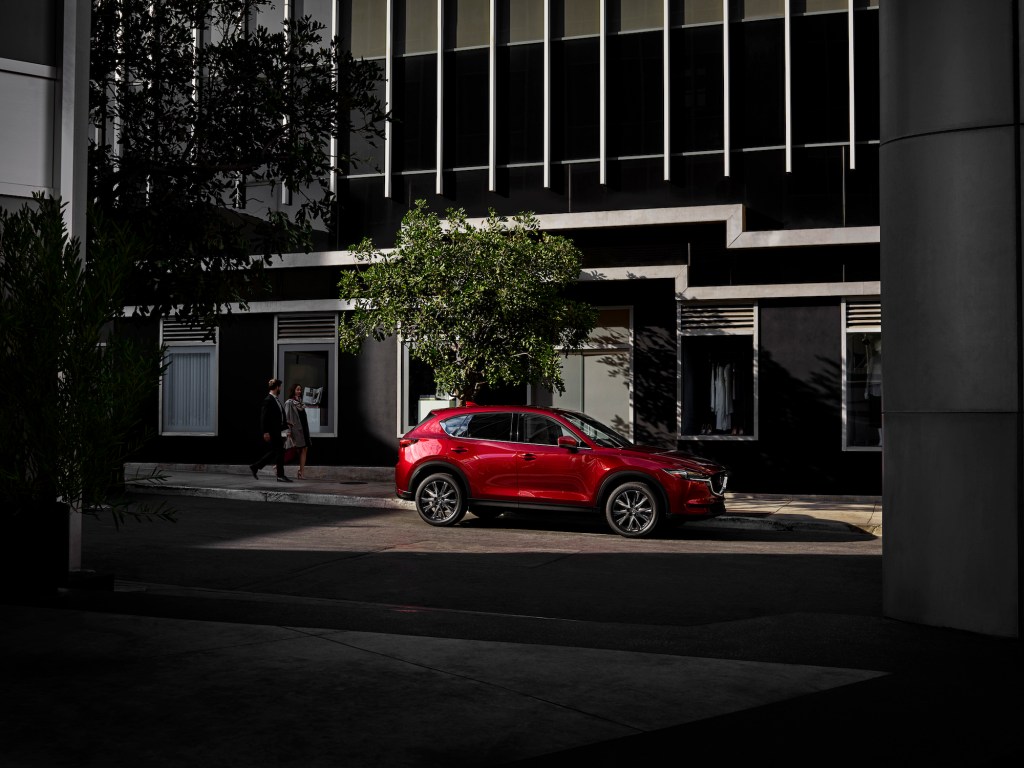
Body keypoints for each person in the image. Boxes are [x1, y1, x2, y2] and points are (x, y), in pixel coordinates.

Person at [249, 378, 292, 482]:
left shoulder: (275, 400)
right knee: (279, 452)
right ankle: (280, 476)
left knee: (276, 451)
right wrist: (265, 432)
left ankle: (256, 466)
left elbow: (278, 416)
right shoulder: (268, 400)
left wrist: (286, 424)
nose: (280, 388)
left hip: (277, 430)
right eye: (280, 387)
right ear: (277, 387)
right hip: (272, 431)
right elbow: (263, 418)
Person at [284, 383, 311, 479]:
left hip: (303, 429)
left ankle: (301, 472)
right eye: (297, 389)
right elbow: (286, 418)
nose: (299, 391)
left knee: (304, 449)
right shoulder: (289, 402)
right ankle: (278, 466)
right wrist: (288, 431)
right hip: (295, 430)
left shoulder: (301, 402)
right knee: (293, 451)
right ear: (293, 390)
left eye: (300, 389)